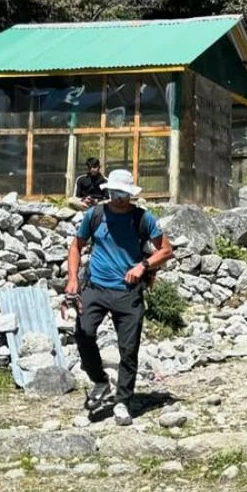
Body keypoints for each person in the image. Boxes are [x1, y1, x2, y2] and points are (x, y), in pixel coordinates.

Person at [66, 169, 173, 426]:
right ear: (108, 191)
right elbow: (76, 246)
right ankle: (100, 381)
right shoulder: (95, 215)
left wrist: (143, 266)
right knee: (84, 333)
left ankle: (122, 401)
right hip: (95, 288)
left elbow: (166, 250)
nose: (119, 198)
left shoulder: (143, 218)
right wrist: (72, 279)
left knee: (128, 350)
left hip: (128, 292)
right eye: (115, 193)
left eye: (124, 194)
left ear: (131, 194)